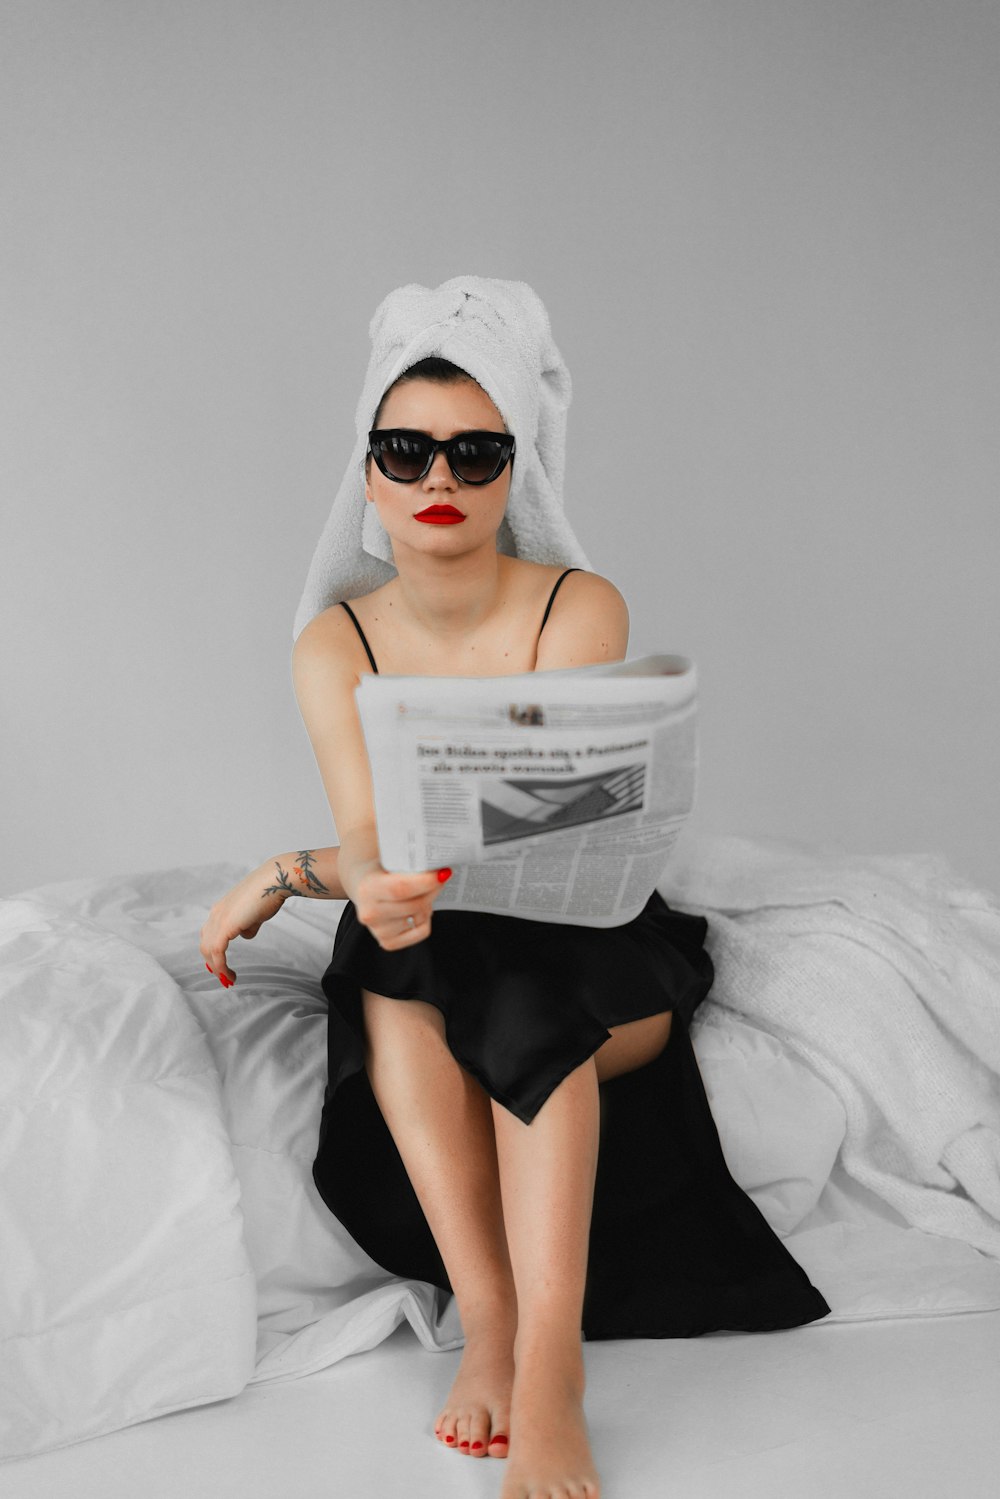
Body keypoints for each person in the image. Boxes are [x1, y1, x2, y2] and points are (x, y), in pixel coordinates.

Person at [201, 279, 828, 1499]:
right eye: (407, 447)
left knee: (515, 970)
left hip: (588, 945)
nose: (439, 472)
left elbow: (554, 833)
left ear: (514, 469)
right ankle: (489, 1319)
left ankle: (547, 1365)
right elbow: (374, 844)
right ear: (369, 474)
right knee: (411, 957)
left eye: (475, 450)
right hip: (423, 936)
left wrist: (299, 880)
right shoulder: (338, 640)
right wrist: (313, 876)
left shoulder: (577, 605)